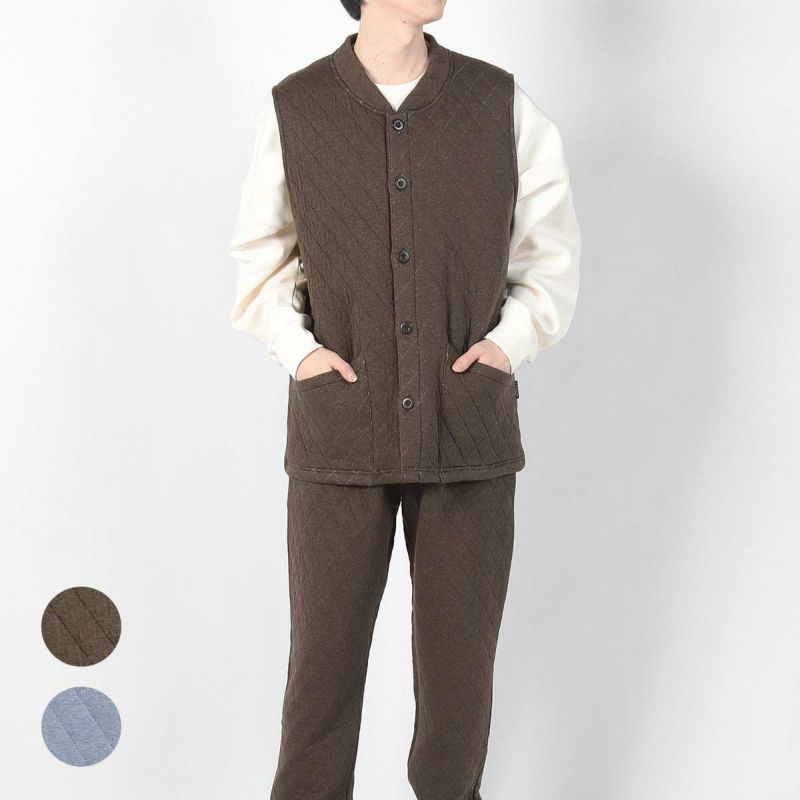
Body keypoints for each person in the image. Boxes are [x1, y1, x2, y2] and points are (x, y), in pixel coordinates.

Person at [227, 1, 581, 797]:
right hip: (338, 433)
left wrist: (508, 344)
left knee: (461, 686)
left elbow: (549, 254)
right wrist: (302, 353)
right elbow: (259, 263)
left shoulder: (498, 103)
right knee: (321, 678)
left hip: (469, 434)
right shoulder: (298, 107)